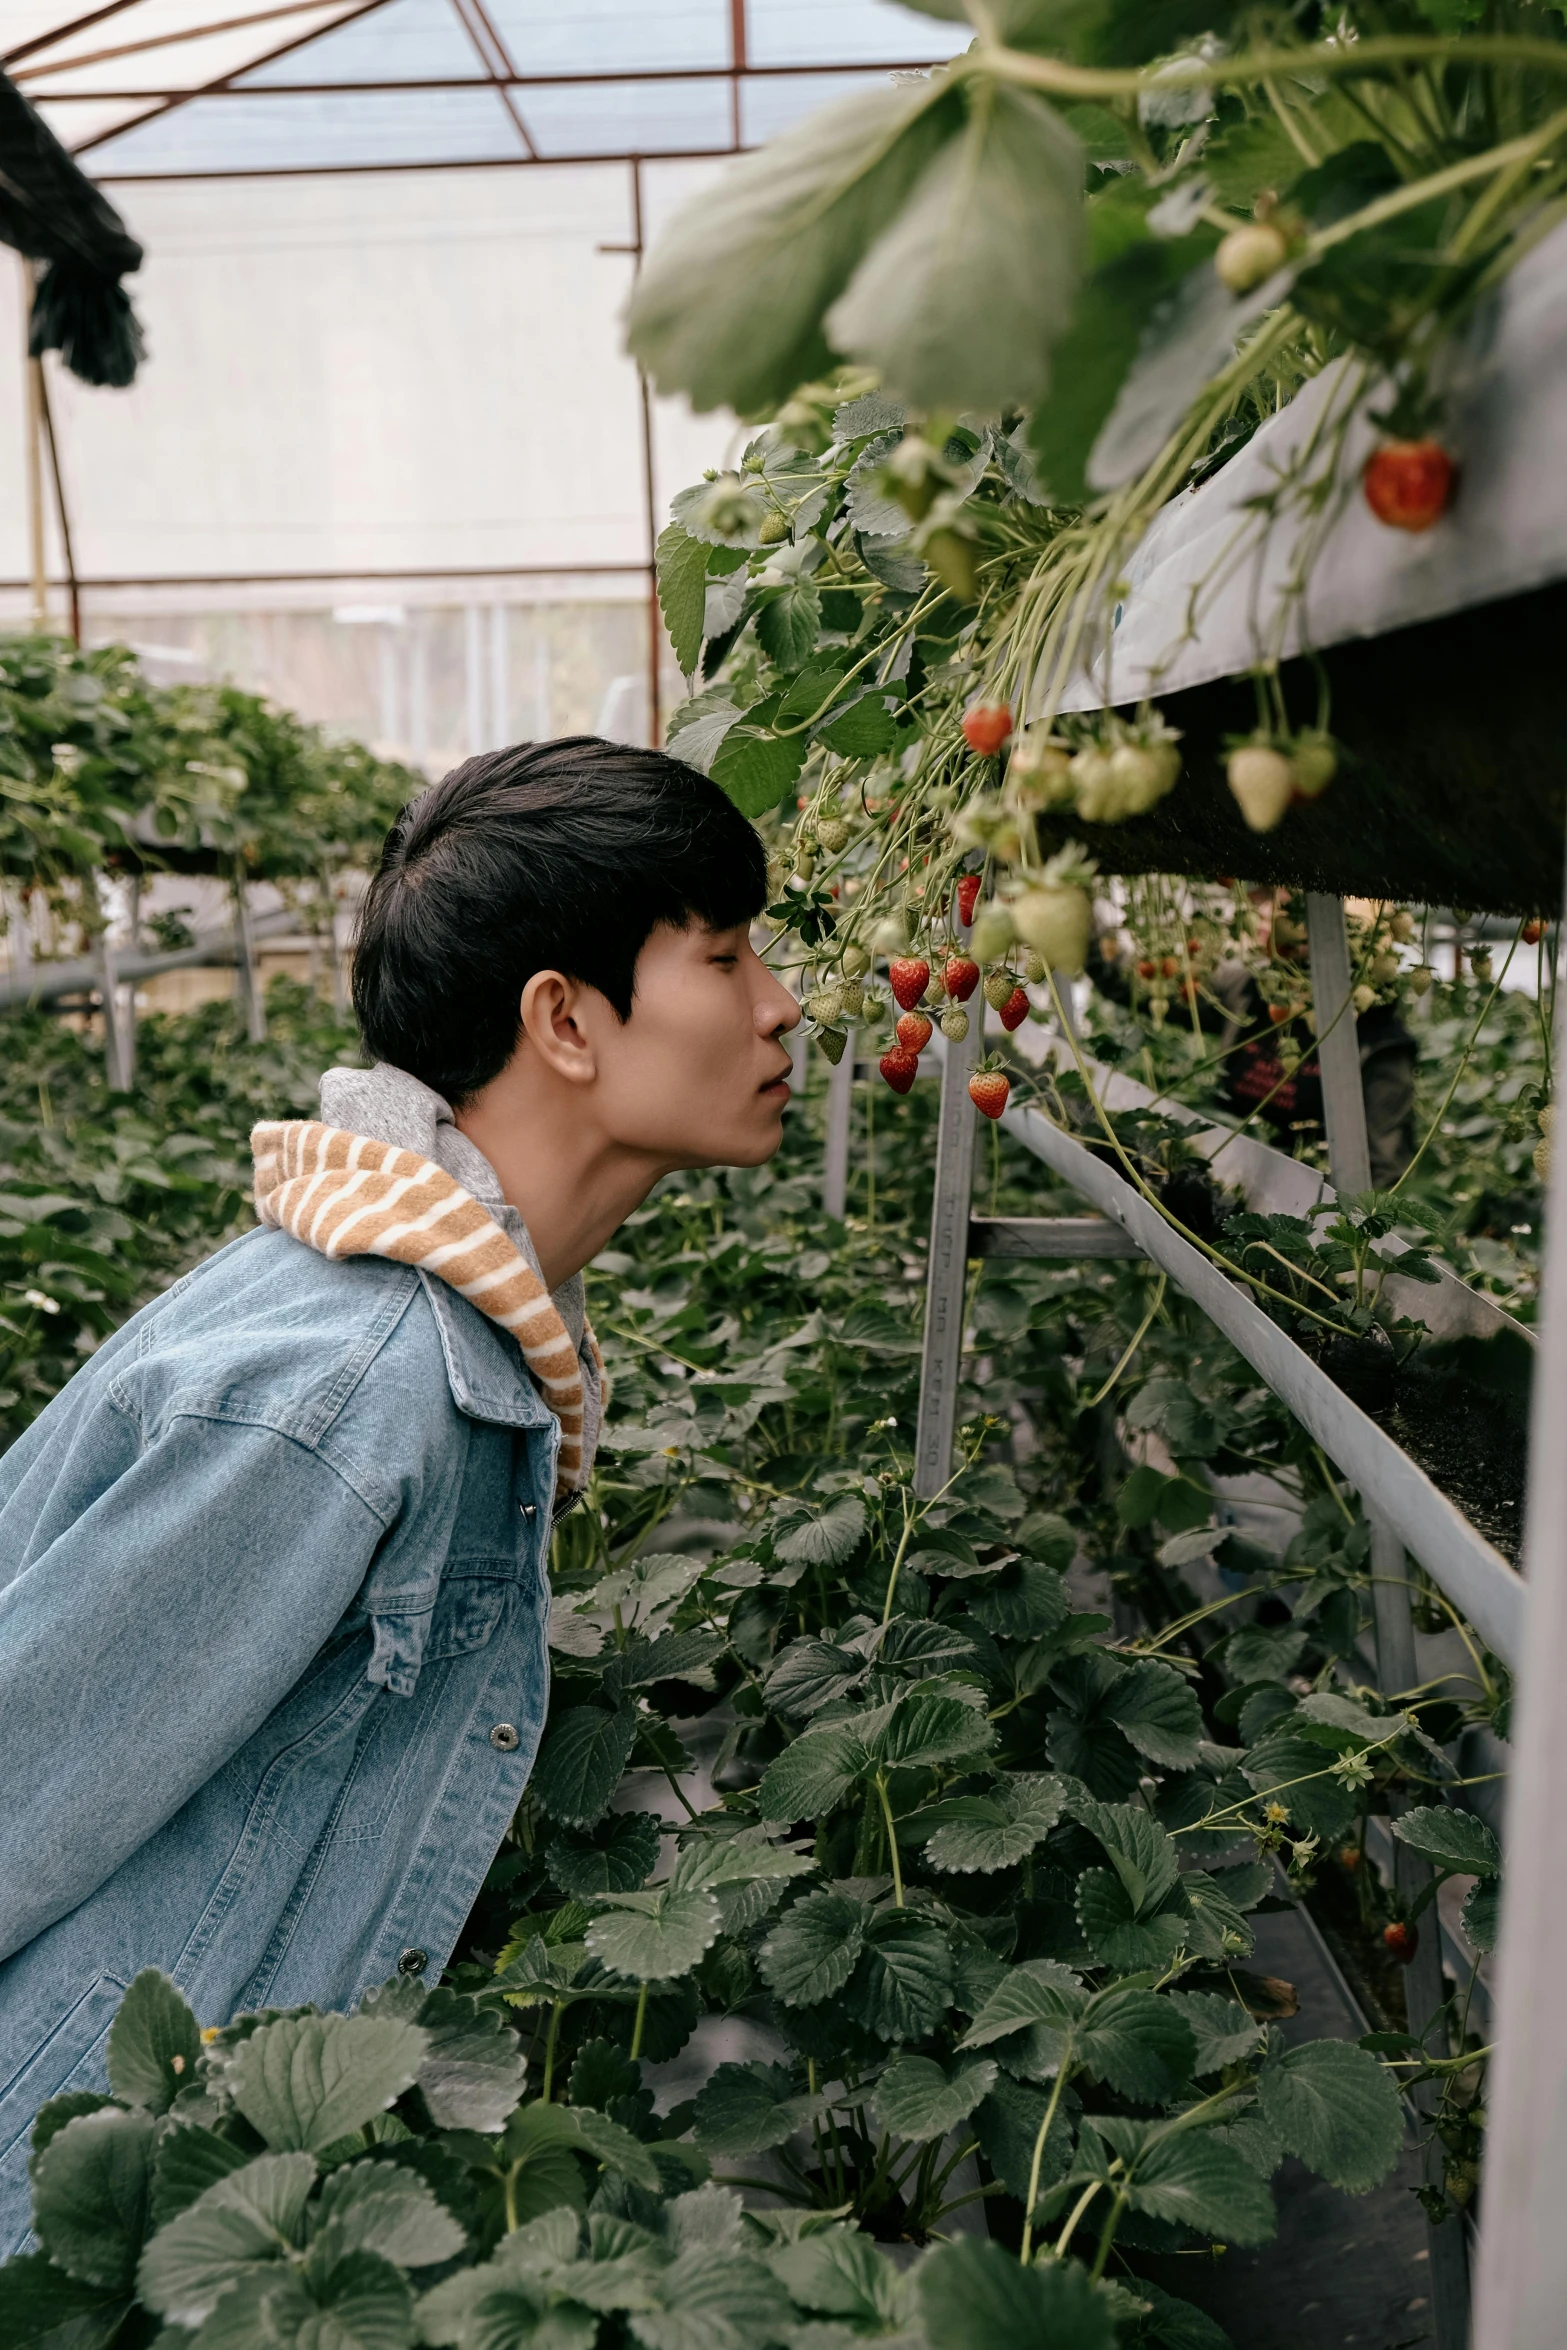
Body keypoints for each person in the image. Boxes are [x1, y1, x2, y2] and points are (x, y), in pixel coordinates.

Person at [0, 735, 798, 2249]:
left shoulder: (431, 1325)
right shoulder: (352, 1401)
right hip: (71, 2212)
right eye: (723, 953)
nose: (778, 1003)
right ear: (564, 1019)